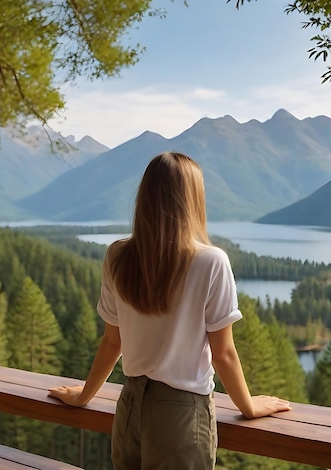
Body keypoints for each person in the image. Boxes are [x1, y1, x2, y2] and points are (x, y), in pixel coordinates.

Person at [48, 152, 292, 469]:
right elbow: (224, 354)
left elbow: (112, 342)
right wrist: (249, 407)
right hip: (181, 416)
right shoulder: (211, 261)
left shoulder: (118, 256)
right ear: (193, 199)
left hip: (130, 408)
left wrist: (84, 397)